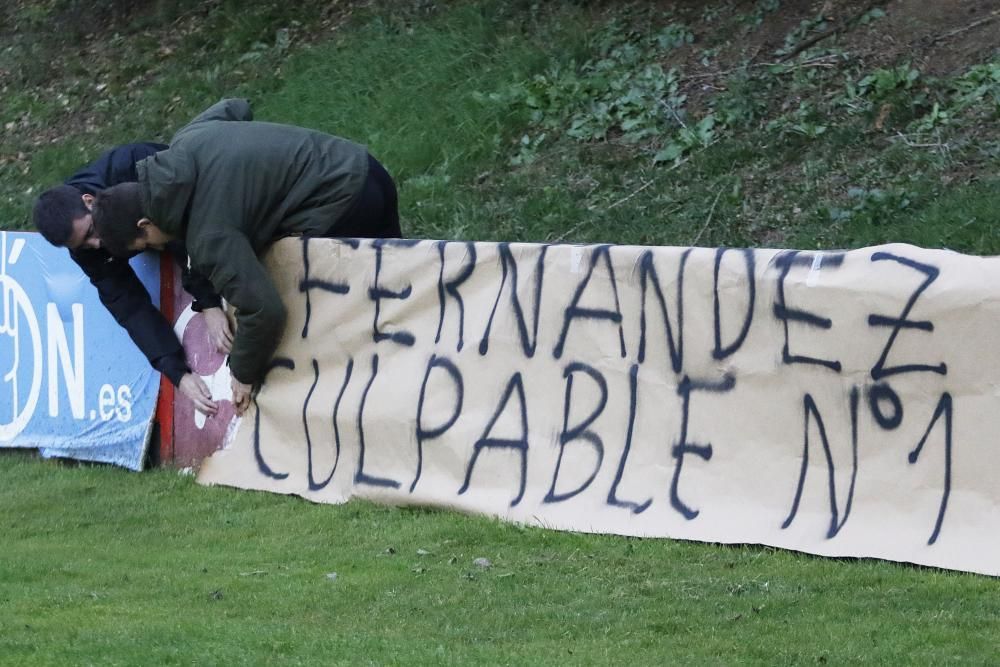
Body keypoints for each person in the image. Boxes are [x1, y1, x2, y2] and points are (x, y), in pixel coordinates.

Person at [92, 99, 401, 416]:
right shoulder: (188, 139)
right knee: (403, 288)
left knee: (369, 314)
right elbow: (236, 107)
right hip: (363, 166)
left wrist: (241, 373)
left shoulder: (208, 236)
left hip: (346, 205)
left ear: (145, 225)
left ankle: (387, 401)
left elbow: (264, 310)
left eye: (145, 244)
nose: (157, 249)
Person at [32, 143, 231, 416]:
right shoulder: (84, 248)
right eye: (85, 244)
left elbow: (182, 227)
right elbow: (127, 304)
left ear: (90, 201)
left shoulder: (136, 166)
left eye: (91, 230)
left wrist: (208, 302)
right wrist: (177, 372)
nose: (97, 242)